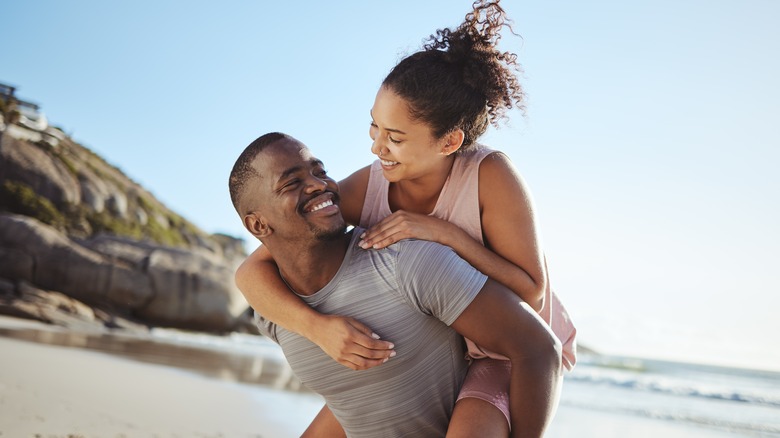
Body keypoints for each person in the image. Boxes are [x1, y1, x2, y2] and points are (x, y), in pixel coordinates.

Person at [236, 1, 577, 436]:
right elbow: (252, 270)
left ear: (449, 141)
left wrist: (445, 234)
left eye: (394, 138)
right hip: (437, 341)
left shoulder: (490, 176)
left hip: (503, 350)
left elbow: (531, 291)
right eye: (374, 127)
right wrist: (318, 329)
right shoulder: (370, 186)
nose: (377, 148)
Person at [228, 133, 562, 437]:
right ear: (258, 224)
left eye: (320, 170)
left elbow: (540, 347)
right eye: (291, 183)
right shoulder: (274, 307)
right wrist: (315, 327)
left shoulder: (410, 262)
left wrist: (448, 235)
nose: (319, 185)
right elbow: (361, 397)